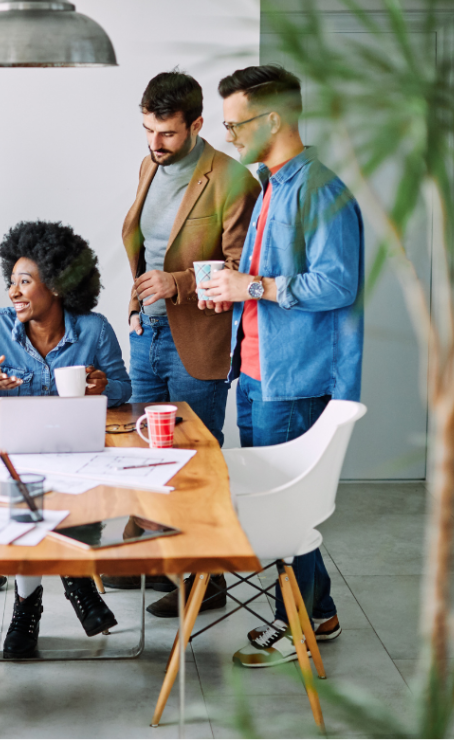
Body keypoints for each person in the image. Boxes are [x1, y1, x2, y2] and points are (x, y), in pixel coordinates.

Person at [204, 65, 364, 668]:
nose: (228, 137)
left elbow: (338, 282)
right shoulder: (271, 184)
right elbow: (265, 285)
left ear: (273, 119)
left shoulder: (320, 188)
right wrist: (238, 290)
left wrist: (258, 285)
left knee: (286, 509)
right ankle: (314, 613)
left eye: (235, 124)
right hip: (256, 372)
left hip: (293, 379)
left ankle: (298, 620)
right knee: (278, 504)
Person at [107, 71, 259, 617]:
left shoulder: (233, 179)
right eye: (148, 130)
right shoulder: (150, 164)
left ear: (196, 124)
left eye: (167, 133)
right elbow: (147, 244)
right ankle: (153, 556)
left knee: (195, 458)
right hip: (147, 331)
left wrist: (180, 284)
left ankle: (206, 579)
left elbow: (244, 268)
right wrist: (141, 301)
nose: (155, 143)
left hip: (198, 338)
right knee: (145, 450)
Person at [0, 220, 132, 659]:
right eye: (12, 282)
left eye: (25, 282)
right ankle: (67, 586)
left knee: (60, 494)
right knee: (25, 494)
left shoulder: (95, 329)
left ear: (59, 285)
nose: (14, 292)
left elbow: (124, 390)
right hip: (14, 463)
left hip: (75, 457)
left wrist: (104, 384)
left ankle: (32, 602)